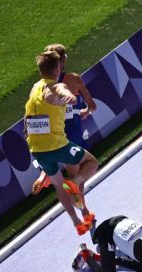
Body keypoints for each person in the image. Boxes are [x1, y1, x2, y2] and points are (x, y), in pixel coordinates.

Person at [24, 51, 98, 235]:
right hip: (58, 145)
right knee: (91, 164)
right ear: (58, 69)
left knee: (59, 185)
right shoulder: (55, 88)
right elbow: (61, 91)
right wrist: (69, 97)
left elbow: (28, 118)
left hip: (37, 149)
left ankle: (77, 223)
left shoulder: (35, 88)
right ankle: (75, 185)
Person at [32, 43, 97, 199]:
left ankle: (45, 173)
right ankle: (85, 216)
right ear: (64, 60)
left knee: (75, 177)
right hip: (72, 134)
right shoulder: (73, 79)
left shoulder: (42, 87)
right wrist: (86, 111)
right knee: (78, 179)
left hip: (53, 135)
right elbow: (92, 106)